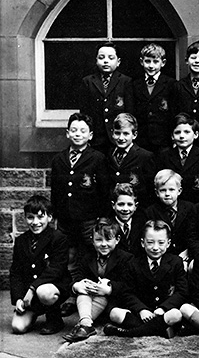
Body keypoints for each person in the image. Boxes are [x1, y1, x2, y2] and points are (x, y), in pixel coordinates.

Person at [50, 112, 109, 307]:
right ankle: (70, 294)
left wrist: (101, 217)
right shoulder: (59, 159)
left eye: (83, 131)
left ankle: (90, 295)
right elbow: (56, 191)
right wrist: (55, 216)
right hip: (65, 219)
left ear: (90, 135)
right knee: (68, 256)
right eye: (74, 130)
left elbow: (103, 190)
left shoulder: (97, 158)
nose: (78, 134)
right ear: (67, 133)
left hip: (88, 218)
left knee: (89, 254)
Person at [104, 220, 187, 338]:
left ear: (168, 243)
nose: (155, 247)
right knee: (115, 313)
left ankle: (129, 332)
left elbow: (182, 291)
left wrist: (163, 308)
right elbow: (127, 292)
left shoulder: (176, 262)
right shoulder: (133, 263)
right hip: (142, 313)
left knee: (176, 314)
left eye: (161, 243)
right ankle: (161, 330)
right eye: (150, 242)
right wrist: (141, 309)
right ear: (143, 243)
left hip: (165, 313)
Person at [64, 219, 132, 342]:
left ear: (117, 240)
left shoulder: (125, 258)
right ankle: (86, 324)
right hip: (90, 298)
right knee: (82, 291)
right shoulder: (87, 257)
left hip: (112, 300)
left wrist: (109, 288)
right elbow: (78, 277)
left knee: (103, 294)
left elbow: (127, 284)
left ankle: (83, 325)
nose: (103, 244)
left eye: (108, 239)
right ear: (92, 241)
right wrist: (77, 285)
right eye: (99, 240)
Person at [10, 196, 70, 335]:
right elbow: (16, 272)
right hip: (29, 295)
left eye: (40, 217)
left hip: (52, 287)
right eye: (30, 217)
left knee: (44, 292)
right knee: (18, 327)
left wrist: (32, 288)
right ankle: (34, 311)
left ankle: (54, 319)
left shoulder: (58, 238)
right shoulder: (21, 241)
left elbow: (56, 269)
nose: (35, 222)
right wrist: (19, 298)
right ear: (25, 218)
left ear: (49, 217)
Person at [79, 42, 134, 154]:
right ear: (96, 60)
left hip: (118, 137)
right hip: (96, 139)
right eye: (101, 57)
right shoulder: (88, 81)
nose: (105, 61)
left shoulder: (125, 81)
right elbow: (84, 112)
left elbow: (130, 111)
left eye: (111, 58)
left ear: (118, 62)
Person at [155, 113, 199, 204]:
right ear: (172, 136)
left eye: (187, 132)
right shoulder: (164, 156)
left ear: (196, 134)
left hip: (196, 204)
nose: (182, 136)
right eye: (177, 132)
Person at [132, 43, 175, 152]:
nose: (151, 66)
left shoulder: (171, 84)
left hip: (163, 141)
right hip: (140, 140)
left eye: (156, 62)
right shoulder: (134, 84)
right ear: (142, 62)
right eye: (147, 61)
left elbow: (174, 113)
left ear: (163, 63)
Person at [145, 170, 195, 265]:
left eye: (171, 190)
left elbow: (193, 233)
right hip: (163, 256)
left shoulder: (190, 208)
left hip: (186, 254)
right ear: (156, 193)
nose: (167, 194)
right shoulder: (151, 211)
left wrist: (188, 251)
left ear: (179, 191)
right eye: (163, 190)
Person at [107, 113, 155, 209]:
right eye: (117, 133)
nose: (121, 138)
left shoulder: (145, 156)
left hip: (137, 209)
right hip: (113, 209)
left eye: (126, 133)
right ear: (112, 133)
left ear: (134, 135)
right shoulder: (109, 154)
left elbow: (150, 188)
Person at [108, 183, 146, 258]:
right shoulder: (108, 225)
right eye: (121, 204)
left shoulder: (141, 224)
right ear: (113, 205)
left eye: (130, 204)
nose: (125, 209)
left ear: (136, 206)